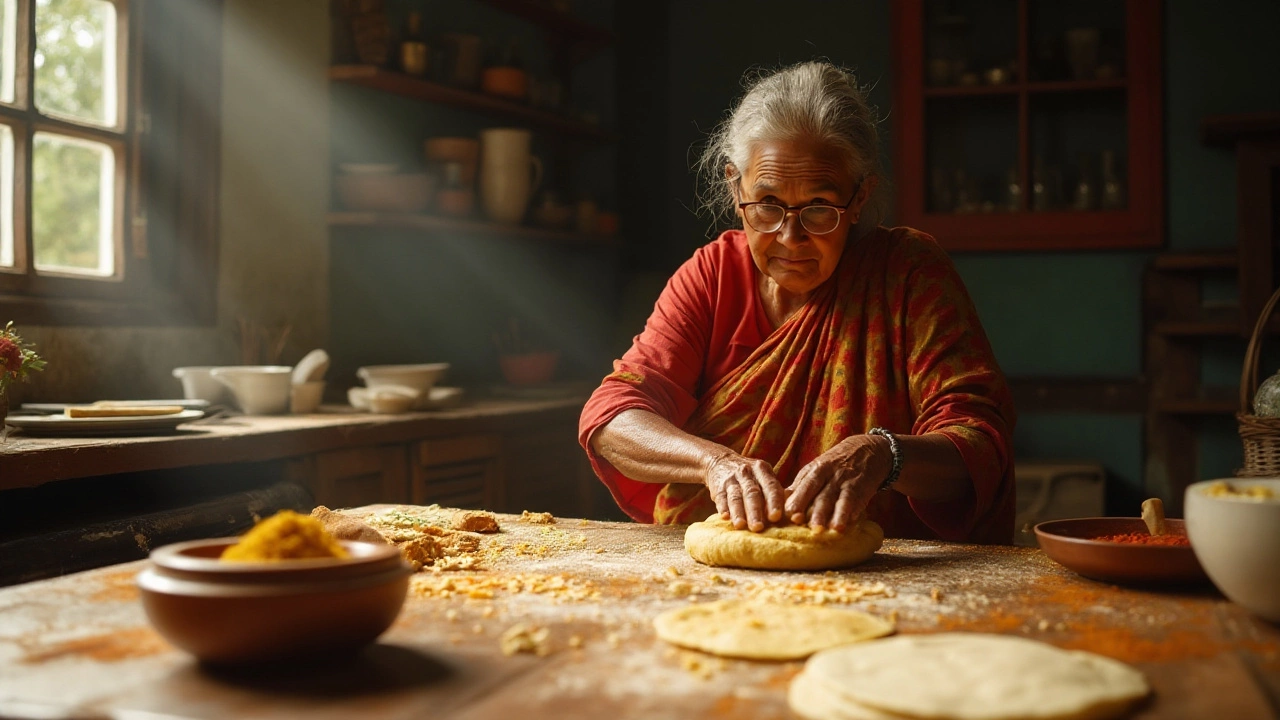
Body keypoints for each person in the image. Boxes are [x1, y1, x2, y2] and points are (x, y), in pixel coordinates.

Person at [579, 62, 1015, 543]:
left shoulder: (908, 273)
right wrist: (714, 462)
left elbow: (977, 443)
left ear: (859, 197)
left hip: (892, 573)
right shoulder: (714, 275)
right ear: (734, 187)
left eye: (819, 208)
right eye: (766, 204)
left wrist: (881, 455)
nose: (790, 237)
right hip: (715, 578)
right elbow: (613, 416)